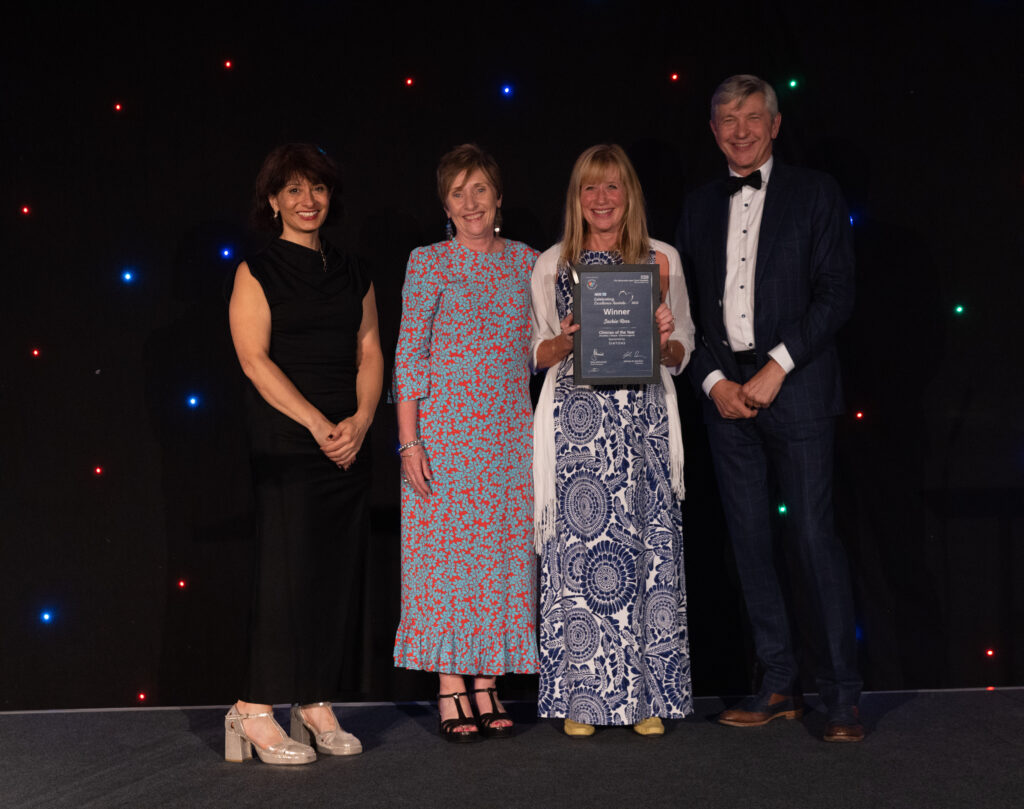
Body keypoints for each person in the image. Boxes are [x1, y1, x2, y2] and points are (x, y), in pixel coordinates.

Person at [676, 75, 862, 742]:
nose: (741, 130)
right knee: (750, 545)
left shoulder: (816, 193)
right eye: (727, 119)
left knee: (811, 538)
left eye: (753, 117)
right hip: (725, 398)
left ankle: (841, 696)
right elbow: (683, 310)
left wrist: (778, 365)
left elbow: (837, 294)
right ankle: (778, 683)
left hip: (798, 387)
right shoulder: (698, 205)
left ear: (776, 125)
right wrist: (712, 382)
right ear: (713, 130)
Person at [225, 143, 383, 764]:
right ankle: (253, 709)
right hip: (289, 439)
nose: (307, 200)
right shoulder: (256, 270)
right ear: (273, 201)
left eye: (316, 187)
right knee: (284, 573)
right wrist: (319, 425)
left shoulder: (353, 270)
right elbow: (253, 360)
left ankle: (314, 701)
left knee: (332, 572)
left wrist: (361, 421)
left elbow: (369, 349)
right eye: (292, 189)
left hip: (348, 438)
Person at [531, 144, 695, 737]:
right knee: (581, 562)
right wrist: (567, 339)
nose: (601, 200)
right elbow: (536, 351)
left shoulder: (663, 260)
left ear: (630, 195)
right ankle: (584, 702)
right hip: (577, 426)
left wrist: (665, 338)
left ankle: (647, 700)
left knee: (648, 556)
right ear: (577, 198)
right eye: (590, 188)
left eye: (612, 187)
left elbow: (683, 351)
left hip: (644, 423)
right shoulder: (552, 264)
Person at [392, 144, 539, 742]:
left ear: (498, 197)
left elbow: (544, 347)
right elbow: (409, 355)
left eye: (480, 189)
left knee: (501, 561)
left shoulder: (531, 262)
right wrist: (409, 444)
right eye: (458, 193)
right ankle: (451, 684)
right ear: (445, 205)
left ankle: (487, 682)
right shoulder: (428, 262)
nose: (471, 202)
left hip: (509, 437)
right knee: (446, 565)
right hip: (444, 438)